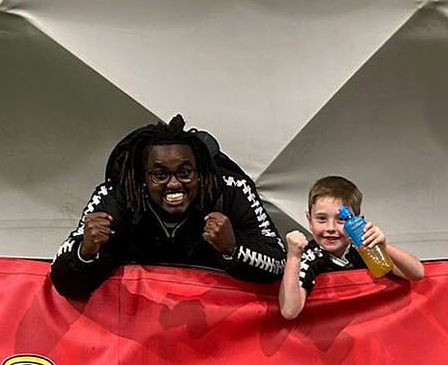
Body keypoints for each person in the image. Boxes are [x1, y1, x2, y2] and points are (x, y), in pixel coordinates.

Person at [50, 114, 285, 299]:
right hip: (139, 337)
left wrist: (233, 248)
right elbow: (63, 282)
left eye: (185, 173)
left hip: (218, 338)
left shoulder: (232, 190)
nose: (174, 184)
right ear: (143, 178)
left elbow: (279, 264)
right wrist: (85, 253)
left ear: (200, 174)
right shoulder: (116, 196)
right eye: (160, 174)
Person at [279, 175, 424, 320]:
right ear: (309, 220)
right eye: (321, 218)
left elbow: (417, 273)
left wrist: (383, 246)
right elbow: (290, 311)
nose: (330, 228)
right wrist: (293, 257)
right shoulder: (309, 258)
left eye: (341, 220)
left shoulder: (363, 249)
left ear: (358, 221)